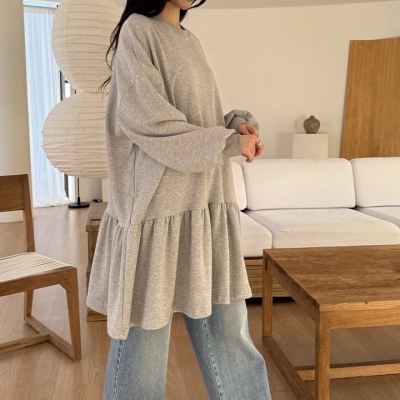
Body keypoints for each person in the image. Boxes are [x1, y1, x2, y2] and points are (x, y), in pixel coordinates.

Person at [87, 0, 271, 399]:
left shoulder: (190, 40)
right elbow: (150, 123)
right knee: (142, 356)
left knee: (231, 341)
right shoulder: (138, 30)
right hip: (157, 211)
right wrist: (227, 143)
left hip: (205, 206)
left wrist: (235, 125)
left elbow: (196, 120)